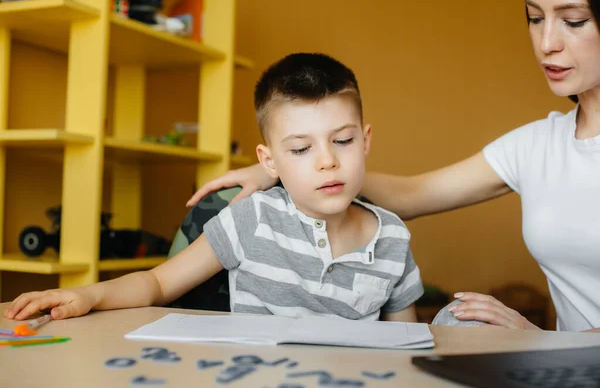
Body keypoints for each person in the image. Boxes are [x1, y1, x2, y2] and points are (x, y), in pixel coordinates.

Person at [185, 0, 600, 333]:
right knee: (462, 322)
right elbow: (412, 194)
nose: (547, 42)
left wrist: (538, 342)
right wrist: (283, 172)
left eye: (574, 20)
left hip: (563, 355)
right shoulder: (538, 144)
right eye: (534, 17)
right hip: (565, 364)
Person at [4, 53, 424, 323]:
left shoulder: (393, 238)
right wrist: (86, 296)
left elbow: (403, 349)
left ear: (365, 141)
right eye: (300, 148)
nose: (327, 160)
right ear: (268, 161)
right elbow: (158, 284)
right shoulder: (250, 219)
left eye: (344, 141)